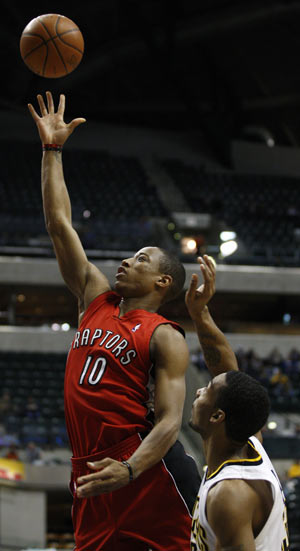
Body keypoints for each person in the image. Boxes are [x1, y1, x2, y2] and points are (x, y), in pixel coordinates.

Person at [27, 91, 220, 551]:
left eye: (140, 259)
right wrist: (52, 150)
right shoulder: (93, 295)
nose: (125, 262)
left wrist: (131, 468)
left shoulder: (164, 337)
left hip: (147, 470)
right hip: (88, 469)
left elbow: (171, 422)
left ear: (161, 283)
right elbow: (59, 224)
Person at [185, 281, 289, 551]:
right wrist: (200, 313)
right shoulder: (250, 443)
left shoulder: (230, 494)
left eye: (206, 390)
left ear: (218, 416)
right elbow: (227, 371)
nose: (197, 391)